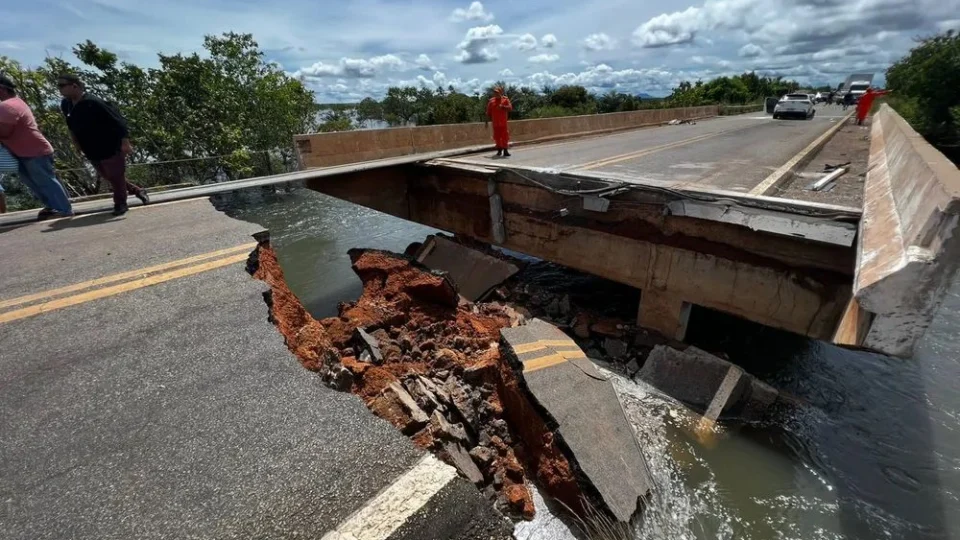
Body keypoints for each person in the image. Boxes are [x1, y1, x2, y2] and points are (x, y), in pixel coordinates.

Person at [58, 73, 148, 216]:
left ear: (74, 86)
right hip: (90, 148)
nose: (59, 89)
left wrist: (125, 143)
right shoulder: (66, 105)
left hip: (109, 145)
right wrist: (76, 143)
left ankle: (120, 203)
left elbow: (118, 121)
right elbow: (71, 126)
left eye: (62, 85)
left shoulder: (94, 102)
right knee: (109, 176)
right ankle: (137, 190)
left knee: (116, 175)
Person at [0, 74, 74, 219]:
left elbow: (4, 131)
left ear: (1, 89)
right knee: (36, 182)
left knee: (45, 181)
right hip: (25, 151)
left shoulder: (7, 106)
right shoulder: (17, 102)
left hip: (33, 151)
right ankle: (53, 206)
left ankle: (63, 209)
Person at [486, 86, 513, 158]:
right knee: (497, 137)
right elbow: (488, 112)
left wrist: (503, 107)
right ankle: (499, 150)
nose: (496, 94)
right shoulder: (491, 101)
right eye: (495, 92)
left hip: (503, 122)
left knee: (505, 136)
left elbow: (510, 108)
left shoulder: (505, 99)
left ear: (501, 92)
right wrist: (486, 121)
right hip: (495, 123)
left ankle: (505, 150)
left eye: (497, 92)